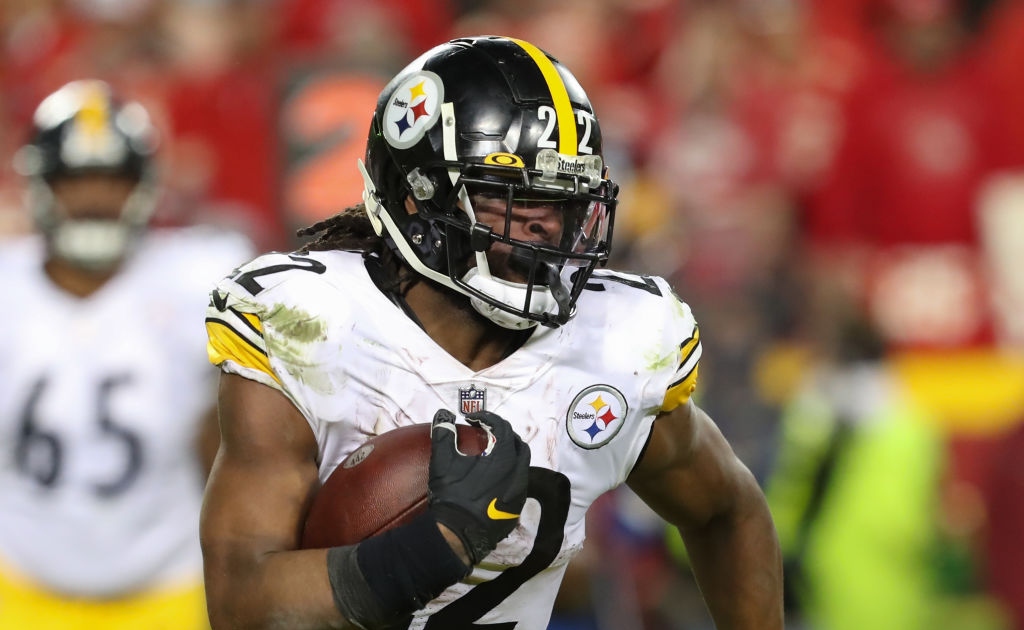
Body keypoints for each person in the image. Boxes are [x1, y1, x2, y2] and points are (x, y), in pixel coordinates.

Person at [201, 35, 783, 630]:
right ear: (415, 196)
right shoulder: (311, 326)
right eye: (514, 197)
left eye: (561, 202)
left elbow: (725, 511)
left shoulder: (615, 346)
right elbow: (241, 602)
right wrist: (431, 551)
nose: (546, 225)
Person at [0, 79, 253, 629]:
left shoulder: (198, 277)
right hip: (17, 585)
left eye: (111, 181)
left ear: (142, 187)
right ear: (42, 185)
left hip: (169, 587)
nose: (94, 200)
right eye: (76, 181)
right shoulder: (7, 289)